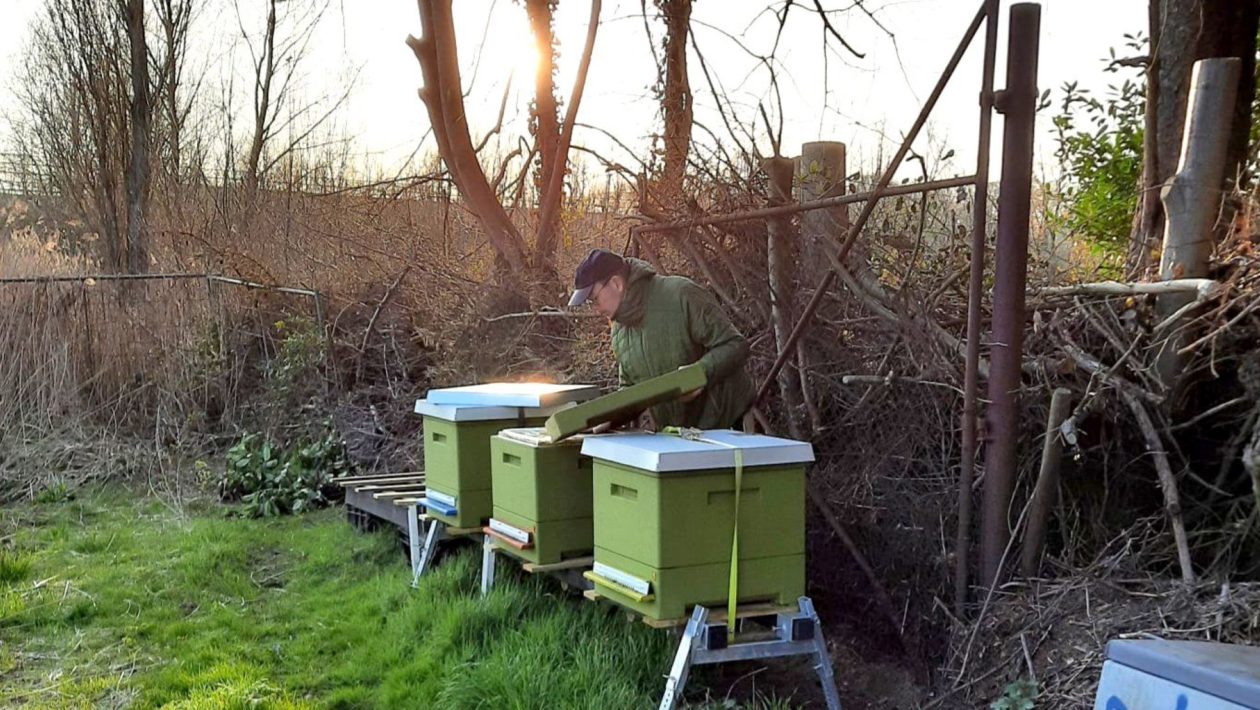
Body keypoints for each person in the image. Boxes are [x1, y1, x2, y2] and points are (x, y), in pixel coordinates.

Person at [567, 248, 755, 430]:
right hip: (680, 438)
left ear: (616, 283)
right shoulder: (619, 331)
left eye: (594, 299)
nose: (595, 309)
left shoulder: (681, 294)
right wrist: (611, 417)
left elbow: (736, 345)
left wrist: (701, 372)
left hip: (728, 427)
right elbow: (631, 390)